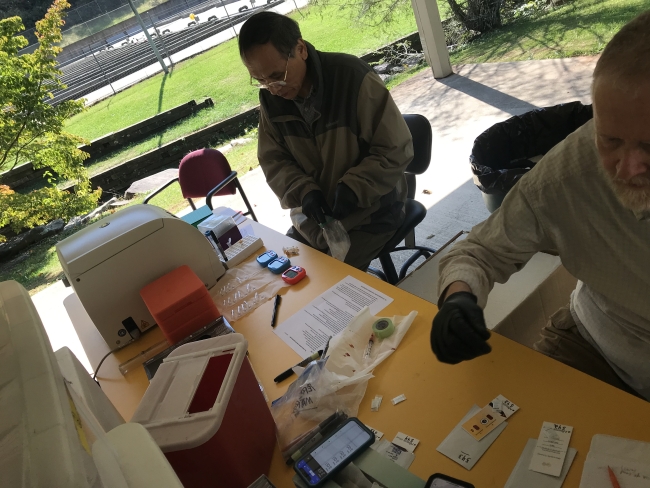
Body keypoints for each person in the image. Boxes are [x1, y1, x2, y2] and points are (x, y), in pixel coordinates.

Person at [431, 10, 650, 400]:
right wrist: (458, 298)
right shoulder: (573, 167)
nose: (626, 169)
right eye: (610, 140)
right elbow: (482, 250)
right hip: (596, 345)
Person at [237, 12, 414, 270]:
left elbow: (395, 148)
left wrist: (355, 187)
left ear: (300, 49)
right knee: (286, 271)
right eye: (261, 81)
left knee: (333, 281)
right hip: (316, 219)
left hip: (374, 209)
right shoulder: (271, 100)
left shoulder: (352, 78)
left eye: (277, 75)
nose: (273, 88)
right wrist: (304, 191)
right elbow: (274, 160)